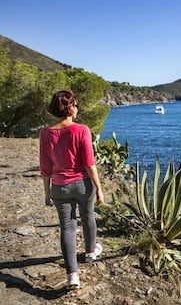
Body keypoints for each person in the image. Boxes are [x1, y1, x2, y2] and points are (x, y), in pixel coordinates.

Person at [39, 90, 104, 290]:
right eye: (75, 105)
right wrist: (99, 189)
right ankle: (91, 252)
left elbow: (45, 167)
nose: (77, 108)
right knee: (88, 217)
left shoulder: (46, 133)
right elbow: (89, 163)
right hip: (83, 184)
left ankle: (72, 276)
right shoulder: (82, 129)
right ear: (68, 107)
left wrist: (48, 193)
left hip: (60, 186)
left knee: (67, 227)